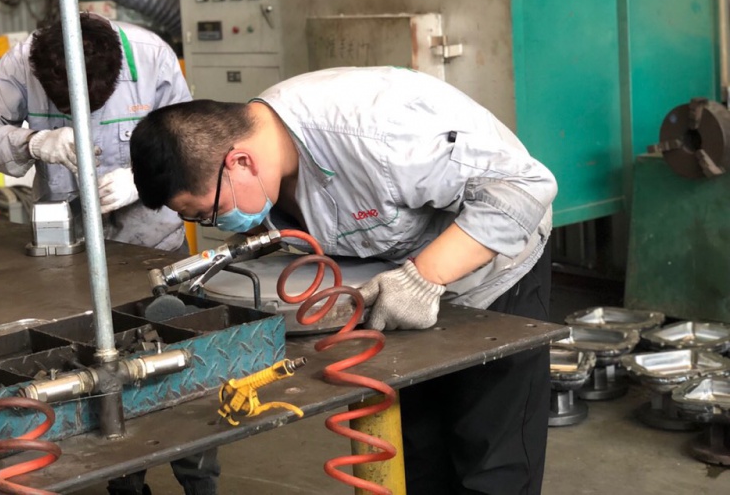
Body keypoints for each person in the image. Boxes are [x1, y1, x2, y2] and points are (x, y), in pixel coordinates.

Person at [128, 66, 557, 495]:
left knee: (491, 459)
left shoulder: (380, 134)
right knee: (415, 452)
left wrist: (425, 277)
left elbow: (526, 187)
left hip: (492, 279)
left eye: (209, 212)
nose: (215, 223)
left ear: (241, 161)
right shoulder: (266, 147)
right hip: (394, 289)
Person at [0, 13, 219, 495]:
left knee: (182, 363)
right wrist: (33, 142)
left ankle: (199, 481)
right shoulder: (21, 63)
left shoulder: (150, 57)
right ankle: (124, 481)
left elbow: (193, 148)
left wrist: (142, 179)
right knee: (96, 369)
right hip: (69, 258)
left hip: (154, 250)